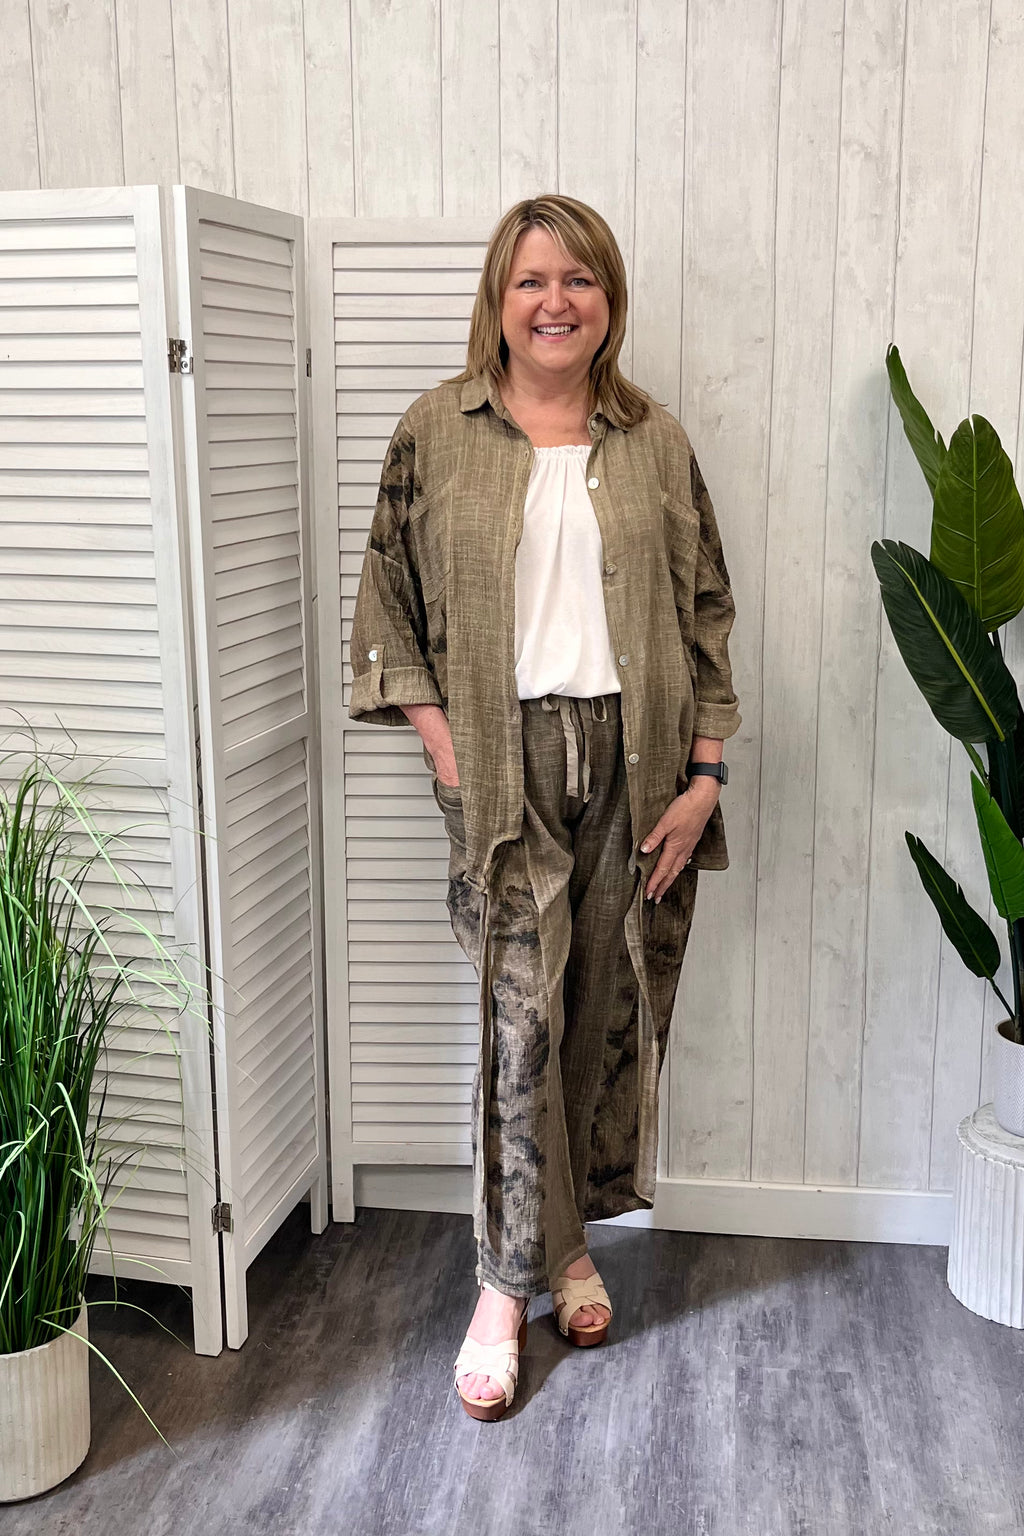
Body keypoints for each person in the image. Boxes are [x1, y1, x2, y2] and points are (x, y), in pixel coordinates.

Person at [348, 193, 741, 1421]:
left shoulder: (654, 440)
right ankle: (501, 1286)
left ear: (607, 300)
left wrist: (705, 777)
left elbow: (707, 610)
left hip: (637, 759)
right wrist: (447, 749)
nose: (555, 302)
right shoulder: (437, 431)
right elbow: (386, 599)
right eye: (531, 280)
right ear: (498, 299)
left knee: (599, 1008)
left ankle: (565, 1251)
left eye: (579, 279)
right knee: (519, 1022)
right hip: (500, 756)